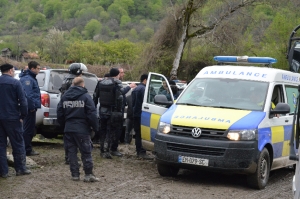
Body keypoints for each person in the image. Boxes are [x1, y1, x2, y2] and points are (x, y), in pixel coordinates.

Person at [57, 77, 99, 182]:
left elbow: (60, 113)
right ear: (82, 85)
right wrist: (95, 127)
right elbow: (92, 113)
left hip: (69, 128)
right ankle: (88, 174)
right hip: (82, 129)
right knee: (86, 152)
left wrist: (64, 126)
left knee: (71, 152)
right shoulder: (85, 97)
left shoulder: (64, 96)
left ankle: (75, 174)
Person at [93, 68, 135, 158]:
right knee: (111, 131)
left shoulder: (101, 82)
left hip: (102, 110)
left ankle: (102, 150)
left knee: (103, 130)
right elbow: (122, 92)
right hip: (113, 111)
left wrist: (94, 108)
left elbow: (95, 96)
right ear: (117, 74)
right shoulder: (117, 82)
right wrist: (129, 87)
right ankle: (108, 151)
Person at [0, 63, 31, 177]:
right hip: (12, 117)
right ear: (10, 71)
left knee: (1, 145)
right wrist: (23, 116)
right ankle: (20, 168)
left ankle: (3, 171)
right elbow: (23, 101)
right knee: (17, 143)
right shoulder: (15, 83)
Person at [60, 63, 88, 164]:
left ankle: (69, 156)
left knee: (68, 137)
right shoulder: (74, 81)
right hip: (74, 111)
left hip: (66, 110)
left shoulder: (66, 79)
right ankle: (70, 157)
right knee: (74, 138)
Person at [19, 61, 41, 156]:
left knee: (30, 129)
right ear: (32, 69)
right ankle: (26, 149)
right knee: (28, 129)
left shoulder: (31, 78)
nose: (39, 70)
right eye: (38, 68)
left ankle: (27, 148)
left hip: (31, 107)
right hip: (29, 108)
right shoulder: (28, 79)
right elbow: (28, 95)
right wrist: (31, 107)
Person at [132, 74, 153, 160]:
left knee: (137, 134)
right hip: (142, 114)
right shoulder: (144, 89)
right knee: (142, 133)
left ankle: (138, 151)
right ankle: (142, 151)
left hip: (135, 114)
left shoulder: (135, 89)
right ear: (145, 80)